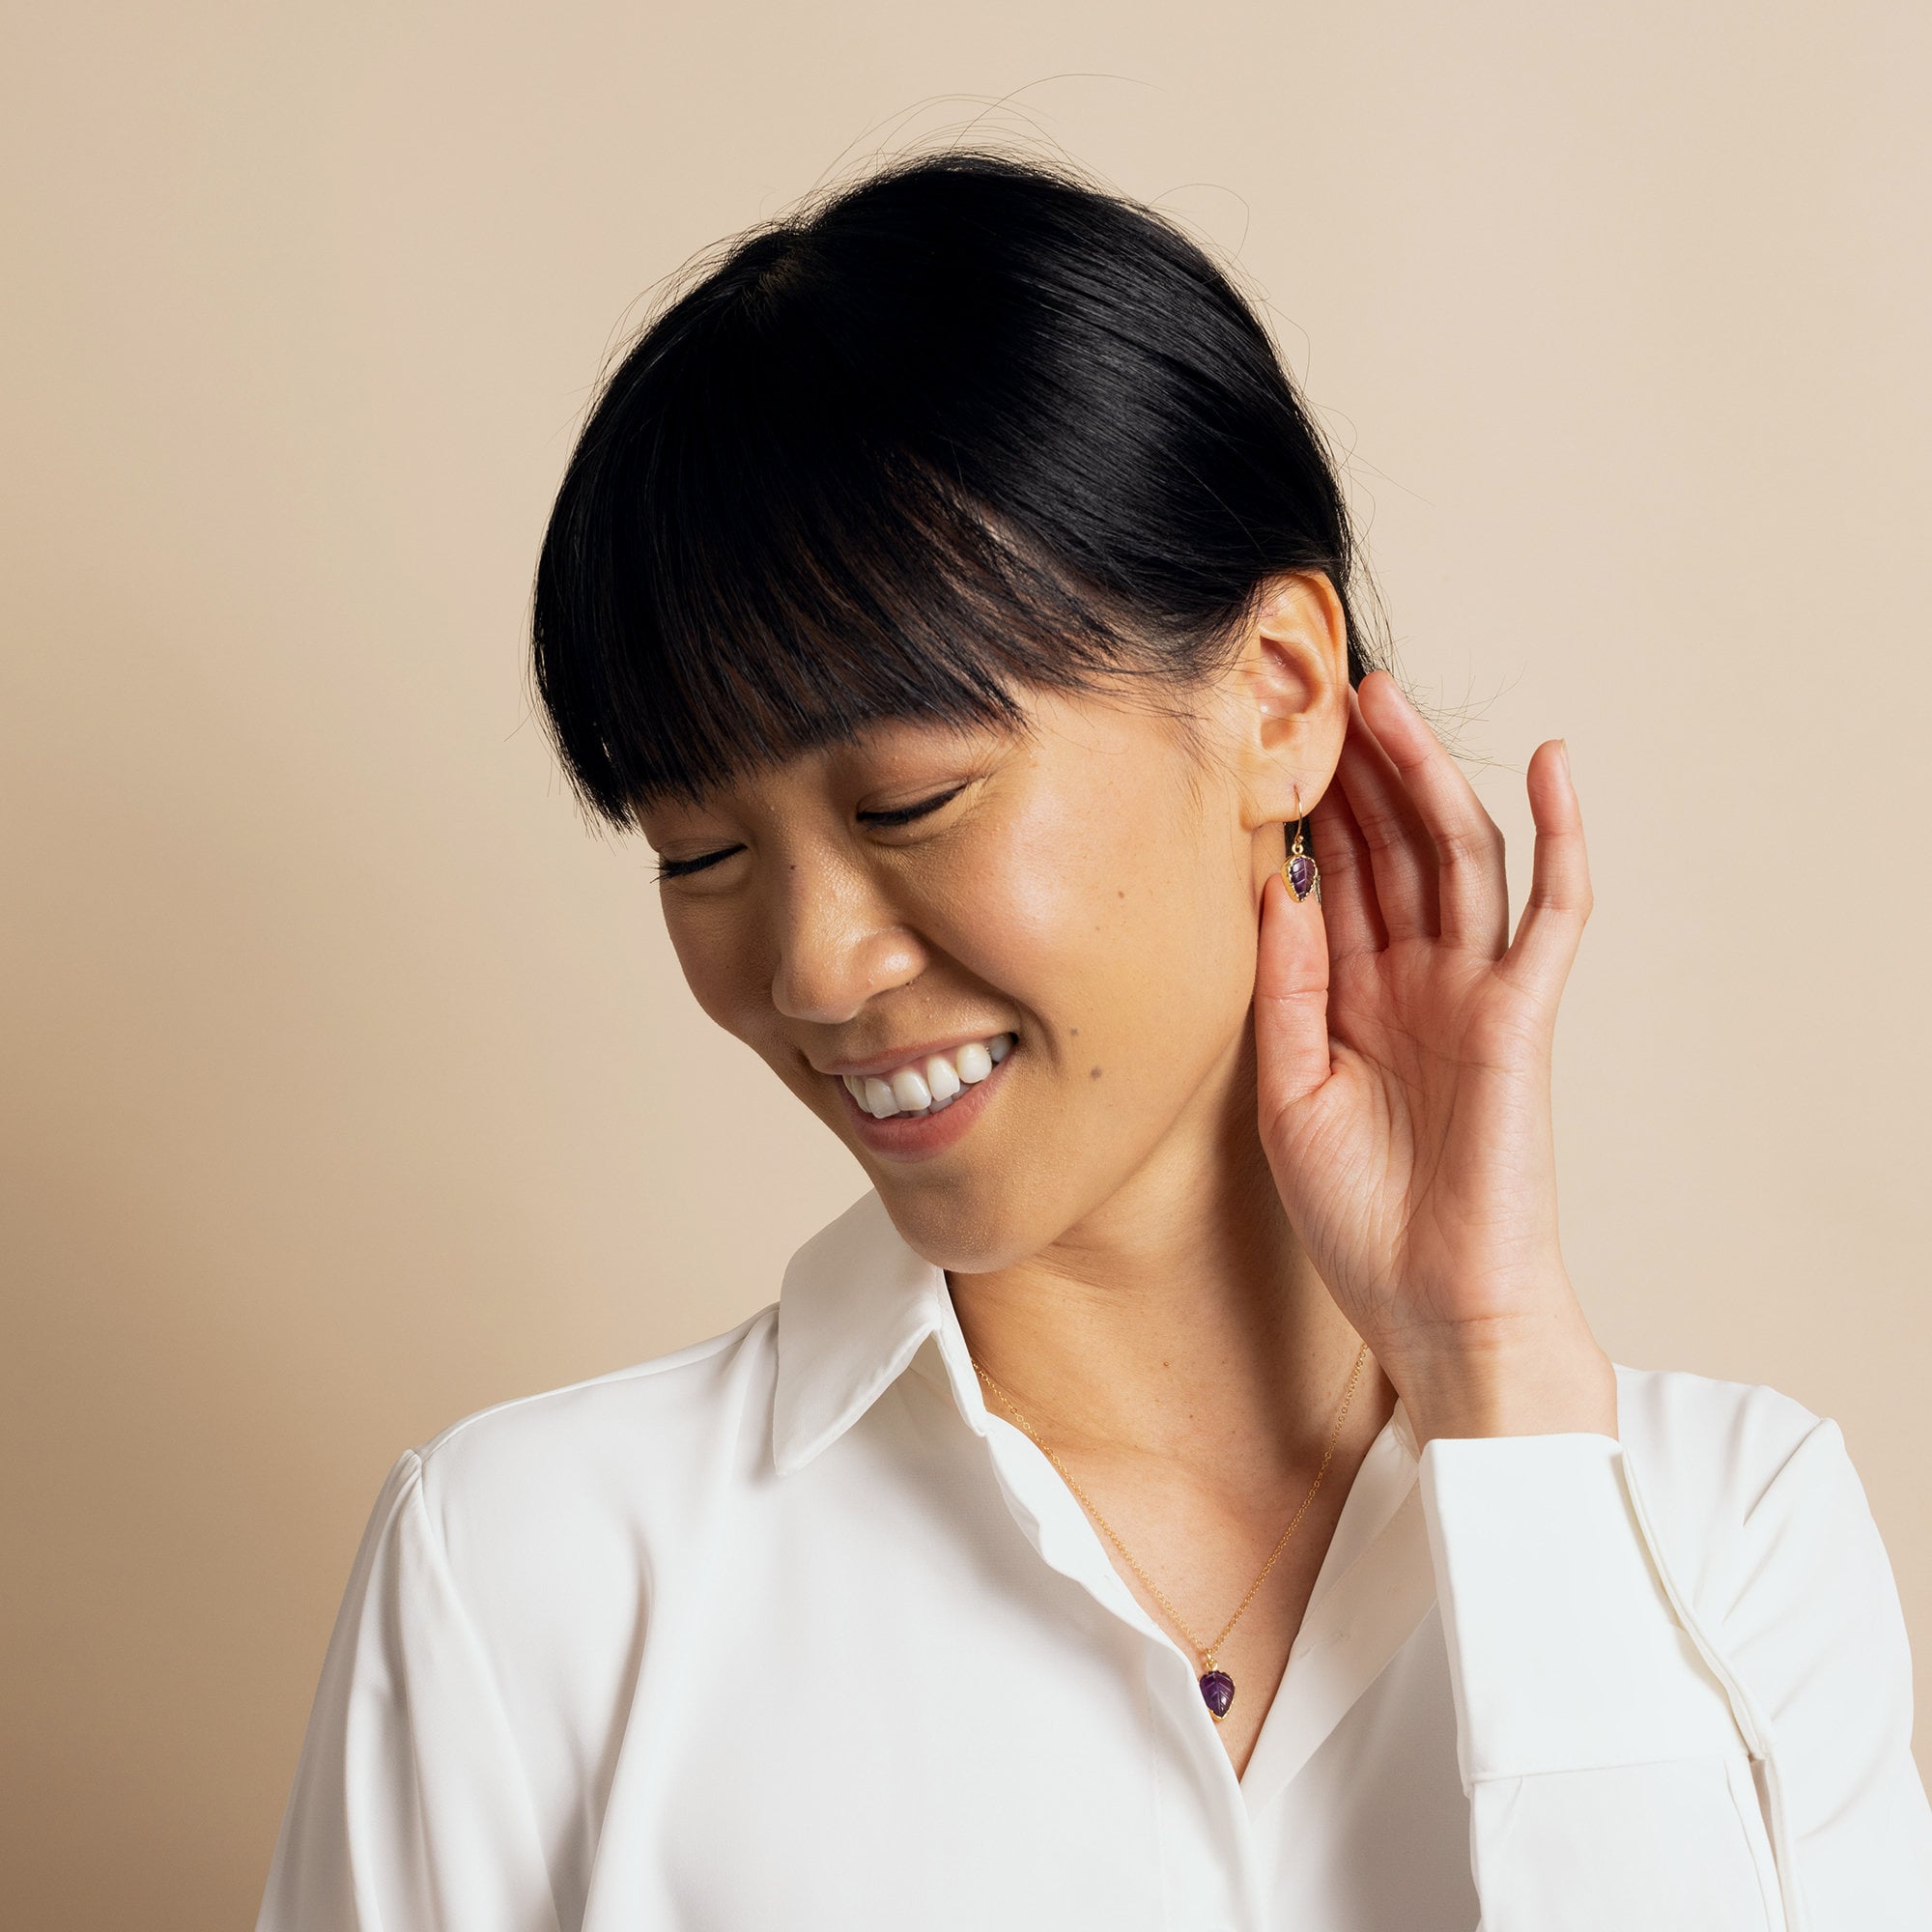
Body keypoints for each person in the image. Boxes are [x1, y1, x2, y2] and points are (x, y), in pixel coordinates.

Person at [255, 151, 1932, 1931]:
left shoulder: (1730, 1541)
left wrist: (1499, 1384)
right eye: (704, 856)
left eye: (911, 802)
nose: (812, 969)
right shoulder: (529, 1577)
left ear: (1277, 696)